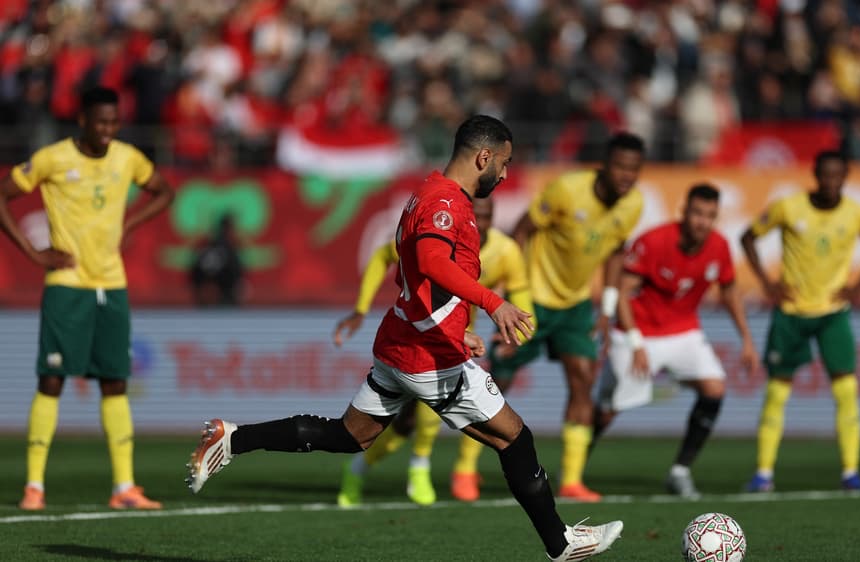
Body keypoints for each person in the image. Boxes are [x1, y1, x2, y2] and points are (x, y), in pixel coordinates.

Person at [187, 115, 623, 560]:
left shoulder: (426, 192)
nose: (506, 174)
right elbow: (431, 262)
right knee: (514, 438)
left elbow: (410, 276)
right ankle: (560, 543)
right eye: (505, 163)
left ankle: (232, 438)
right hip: (427, 357)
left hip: (403, 342)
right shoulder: (445, 203)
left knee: (350, 435)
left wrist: (460, 328)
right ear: (484, 157)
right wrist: (493, 303)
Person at [0, 86, 174, 511]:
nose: (108, 130)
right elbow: (2, 195)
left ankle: (124, 487)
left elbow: (165, 191)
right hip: (67, 284)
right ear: (83, 121)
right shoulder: (53, 158)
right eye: (101, 122)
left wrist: (131, 224)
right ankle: (34, 487)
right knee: (52, 379)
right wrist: (33, 252)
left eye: (114, 122)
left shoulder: (127, 157)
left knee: (115, 382)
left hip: (111, 285)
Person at [332, 196, 535, 505]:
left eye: (486, 217)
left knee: (419, 420)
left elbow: (522, 302)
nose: (480, 224)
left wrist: (515, 335)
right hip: (415, 338)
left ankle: (418, 468)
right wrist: (361, 308)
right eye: (476, 216)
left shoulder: (505, 252)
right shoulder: (437, 243)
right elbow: (382, 257)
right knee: (404, 422)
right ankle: (402, 467)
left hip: (457, 341)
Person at [496, 133, 646, 501]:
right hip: (533, 298)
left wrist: (606, 310)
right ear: (605, 165)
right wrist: (512, 293)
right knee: (499, 378)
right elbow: (521, 231)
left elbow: (616, 252)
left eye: (634, 169)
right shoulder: (567, 190)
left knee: (583, 379)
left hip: (576, 306)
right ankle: (466, 469)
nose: (627, 176)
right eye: (621, 166)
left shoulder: (633, 204)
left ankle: (572, 480)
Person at [593, 184, 759, 498]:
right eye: (697, 213)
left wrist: (747, 339)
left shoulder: (719, 246)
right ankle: (574, 468)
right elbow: (623, 293)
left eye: (710, 215)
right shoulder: (654, 241)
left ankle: (680, 471)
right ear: (684, 212)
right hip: (638, 331)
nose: (702, 221)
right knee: (607, 412)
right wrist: (636, 343)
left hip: (683, 331)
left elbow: (729, 292)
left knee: (715, 388)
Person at [741, 150, 860, 492]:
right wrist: (767, 282)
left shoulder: (858, 213)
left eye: (837, 175)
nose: (830, 182)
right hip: (791, 312)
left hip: (833, 313)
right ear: (815, 175)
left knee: (846, 390)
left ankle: (850, 472)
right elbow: (747, 237)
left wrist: (858, 288)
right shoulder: (788, 207)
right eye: (825, 175)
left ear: (845, 177)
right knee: (777, 392)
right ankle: (763, 474)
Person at [190, 213, 244, 307]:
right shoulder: (228, 250)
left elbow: (195, 273)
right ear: (227, 229)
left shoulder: (208, 245)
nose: (235, 233)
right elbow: (235, 275)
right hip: (223, 300)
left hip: (207, 300)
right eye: (233, 229)